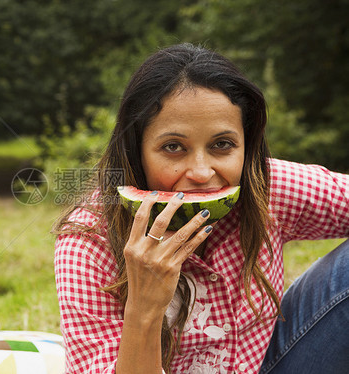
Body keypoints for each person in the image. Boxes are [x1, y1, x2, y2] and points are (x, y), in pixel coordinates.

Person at [53, 43, 349, 373]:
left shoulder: (266, 186)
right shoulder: (88, 240)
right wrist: (144, 307)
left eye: (222, 145)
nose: (201, 172)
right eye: (173, 147)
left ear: (245, 147)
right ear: (137, 152)